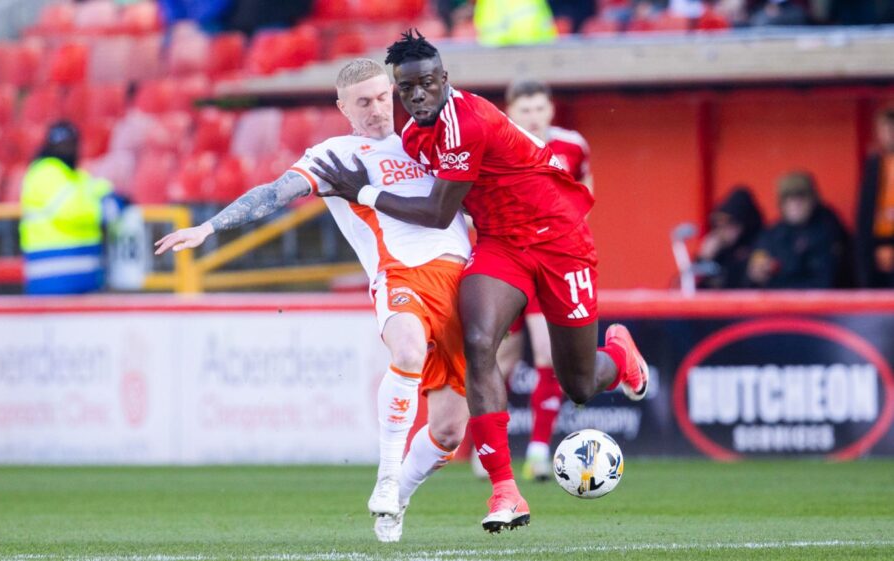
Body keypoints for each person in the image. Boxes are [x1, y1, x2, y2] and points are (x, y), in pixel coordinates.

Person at [309, 31, 648, 533]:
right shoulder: (412, 131)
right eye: (408, 89)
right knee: (478, 340)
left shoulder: (465, 121)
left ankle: (619, 357)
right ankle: (505, 491)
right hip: (501, 243)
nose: (418, 95)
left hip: (560, 240)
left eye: (427, 84)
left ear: (445, 80)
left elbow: (438, 209)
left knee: (577, 383)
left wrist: (361, 191)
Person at [154, 59, 471, 543]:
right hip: (401, 274)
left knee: (449, 433)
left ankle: (399, 495)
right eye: (362, 102)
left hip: (463, 281)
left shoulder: (429, 137)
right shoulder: (336, 154)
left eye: (382, 97)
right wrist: (208, 227)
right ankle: (386, 474)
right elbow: (275, 192)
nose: (377, 109)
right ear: (342, 107)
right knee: (406, 350)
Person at [497, 79, 594, 481]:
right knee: (498, 359)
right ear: (510, 113)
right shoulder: (497, 145)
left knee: (546, 354)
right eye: (526, 110)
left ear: (551, 109)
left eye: (540, 108)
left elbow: (586, 191)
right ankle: (489, 443)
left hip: (550, 263)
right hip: (504, 261)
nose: (535, 117)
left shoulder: (572, 145)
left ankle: (538, 450)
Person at [19, 122, 117, 295]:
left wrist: (116, 198)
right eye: (62, 144)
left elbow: (99, 188)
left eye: (71, 143)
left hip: (85, 277)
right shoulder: (45, 172)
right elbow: (72, 211)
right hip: (52, 279)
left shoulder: (74, 175)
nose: (67, 149)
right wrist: (108, 209)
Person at [746, 171, 848, 289]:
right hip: (776, 303)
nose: (795, 204)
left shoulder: (828, 229)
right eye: (788, 199)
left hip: (817, 303)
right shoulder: (773, 233)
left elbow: (825, 282)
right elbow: (752, 275)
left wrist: (777, 286)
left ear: (813, 199)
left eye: (800, 197)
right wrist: (754, 275)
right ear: (781, 204)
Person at [854, 105, 894, 288]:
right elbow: (865, 212)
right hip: (877, 245)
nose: (889, 134)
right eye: (884, 129)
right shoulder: (874, 164)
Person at [695, 186, 763, 289]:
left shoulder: (762, 244)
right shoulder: (718, 252)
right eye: (719, 225)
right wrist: (703, 258)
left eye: (730, 223)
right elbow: (690, 288)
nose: (724, 230)